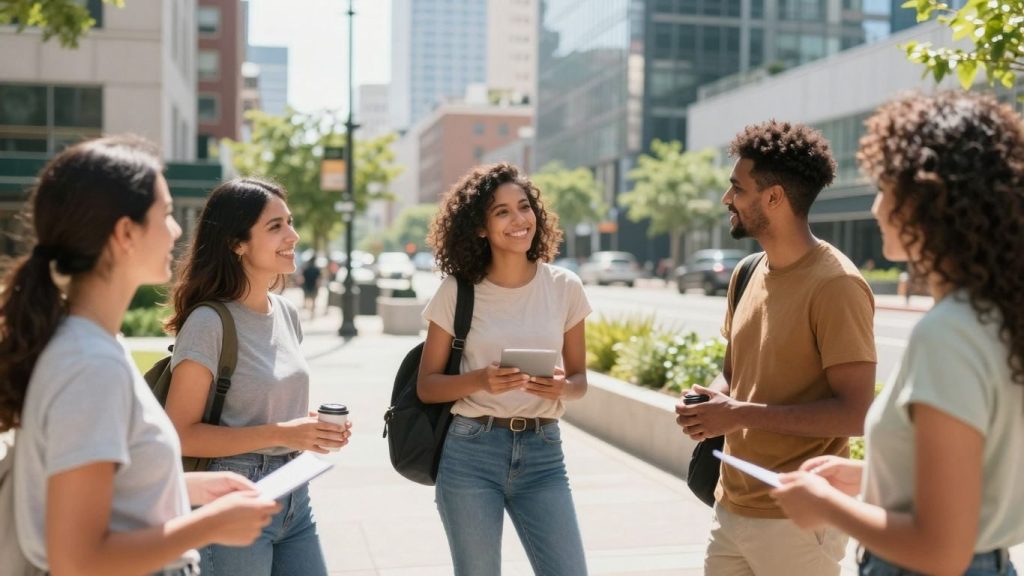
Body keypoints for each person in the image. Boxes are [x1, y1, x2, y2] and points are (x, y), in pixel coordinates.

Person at [0, 136, 279, 575]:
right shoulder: (89, 364)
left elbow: (99, 491)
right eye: (166, 215)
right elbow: (78, 559)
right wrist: (209, 526)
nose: (176, 231)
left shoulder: (88, 345)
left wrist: (187, 486)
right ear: (125, 233)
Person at [773, 92, 1024, 575]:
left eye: (885, 188)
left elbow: (941, 550)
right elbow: (981, 482)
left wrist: (823, 505)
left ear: (927, 201)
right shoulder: (995, 318)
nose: (875, 207)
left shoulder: (949, 334)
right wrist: (871, 478)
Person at [675, 120, 877, 575]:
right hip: (730, 507)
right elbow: (733, 372)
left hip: (798, 520)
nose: (727, 199)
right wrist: (708, 403)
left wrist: (740, 413)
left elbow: (856, 413)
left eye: (736, 188)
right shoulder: (747, 271)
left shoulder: (836, 285)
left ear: (774, 198)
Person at [162, 177, 351, 576]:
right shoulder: (208, 322)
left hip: (295, 492)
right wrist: (284, 432)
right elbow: (181, 433)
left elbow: (271, 406)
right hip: (231, 493)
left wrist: (312, 430)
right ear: (237, 243)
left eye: (290, 222)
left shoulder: (285, 313)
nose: (293, 235)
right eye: (275, 226)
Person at [418, 163, 591, 575]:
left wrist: (562, 388)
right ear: (480, 227)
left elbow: (581, 380)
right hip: (471, 451)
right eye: (502, 212)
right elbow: (426, 386)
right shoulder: (457, 291)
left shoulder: (565, 287)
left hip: (544, 452)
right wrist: (480, 380)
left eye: (524, 207)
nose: (519, 220)